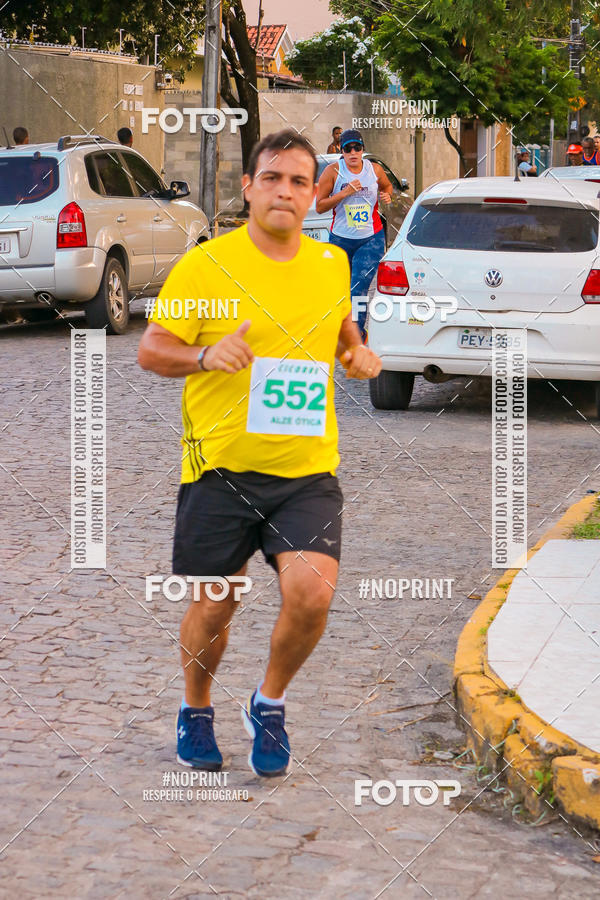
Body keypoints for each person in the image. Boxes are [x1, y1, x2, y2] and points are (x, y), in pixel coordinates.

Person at [137, 128, 382, 777]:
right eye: (272, 178)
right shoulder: (206, 265)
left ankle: (268, 702)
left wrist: (356, 351)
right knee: (217, 602)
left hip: (305, 470)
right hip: (219, 467)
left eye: (299, 181)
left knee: (313, 593)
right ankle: (195, 708)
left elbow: (340, 327)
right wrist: (204, 355)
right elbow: (151, 349)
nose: (285, 191)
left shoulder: (329, 265)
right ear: (248, 187)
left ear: (312, 192)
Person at [315, 128, 392, 340]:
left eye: (357, 148)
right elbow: (320, 206)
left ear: (362, 149)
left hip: (370, 239)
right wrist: (345, 193)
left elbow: (387, 187)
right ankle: (342, 329)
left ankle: (356, 336)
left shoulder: (374, 170)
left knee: (358, 289)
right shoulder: (333, 172)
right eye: (347, 149)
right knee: (340, 290)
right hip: (340, 239)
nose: (353, 153)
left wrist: (387, 195)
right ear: (341, 150)